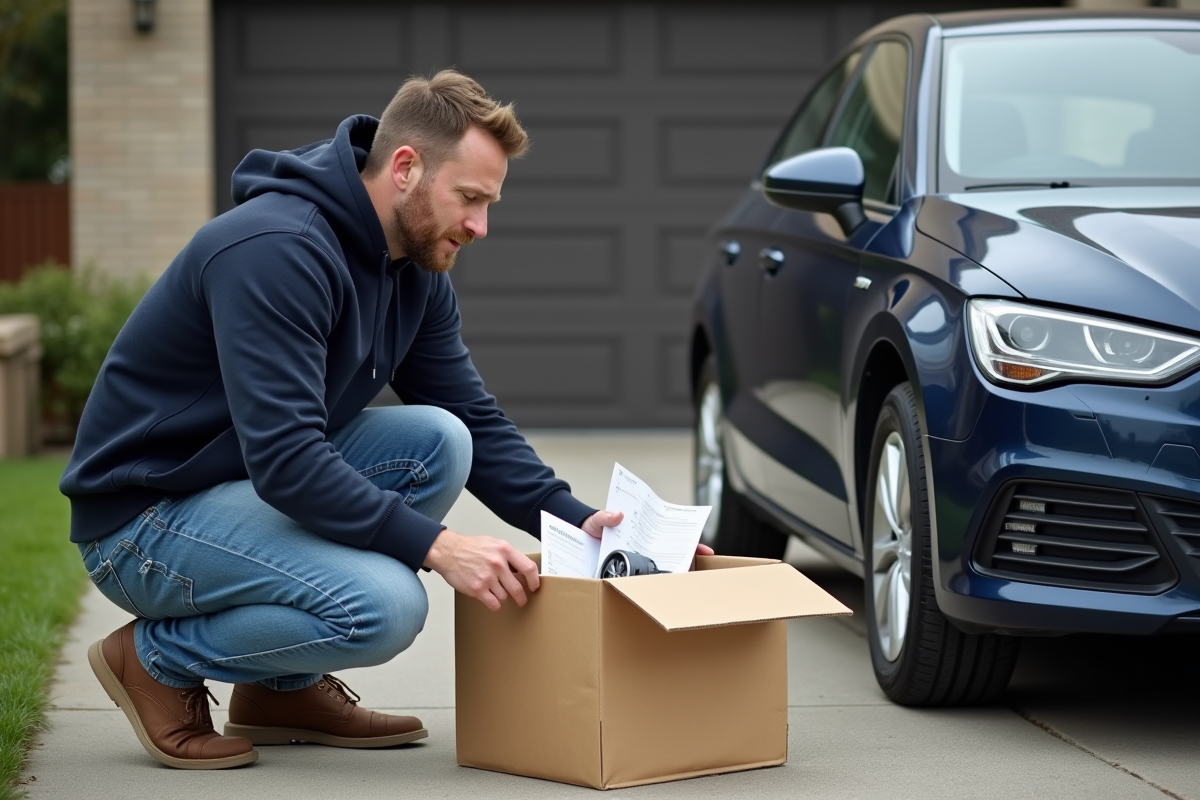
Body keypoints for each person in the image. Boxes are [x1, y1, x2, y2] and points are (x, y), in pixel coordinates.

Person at [61, 69, 712, 770]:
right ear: (406, 167)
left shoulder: (416, 270)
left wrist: (576, 521)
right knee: (385, 606)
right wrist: (438, 546)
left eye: (490, 204)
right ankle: (154, 659)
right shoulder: (275, 250)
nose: (481, 226)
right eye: (469, 198)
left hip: (232, 484)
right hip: (143, 521)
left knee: (441, 438)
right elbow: (287, 460)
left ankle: (280, 690)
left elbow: (472, 415)